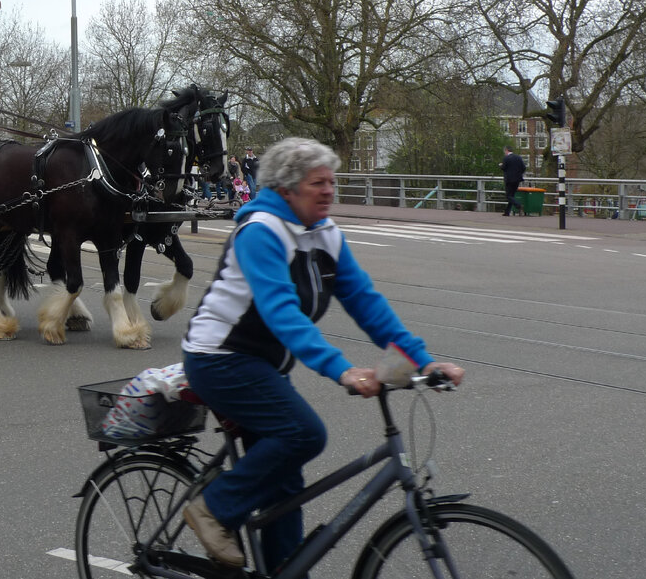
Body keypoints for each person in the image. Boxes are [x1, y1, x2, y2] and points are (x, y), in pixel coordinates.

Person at [180, 137, 465, 570]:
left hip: (264, 365)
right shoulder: (261, 231)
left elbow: (366, 303)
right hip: (219, 359)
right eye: (318, 183)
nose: (329, 190)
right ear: (287, 188)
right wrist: (342, 370)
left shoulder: (325, 234)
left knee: (284, 483)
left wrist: (423, 360)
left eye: (332, 181)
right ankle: (213, 509)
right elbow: (282, 313)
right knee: (304, 434)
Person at [499, 145, 526, 216]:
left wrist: (500, 165)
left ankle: (518, 205)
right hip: (517, 179)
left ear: (506, 150)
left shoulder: (506, 158)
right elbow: (523, 167)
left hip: (509, 180)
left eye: (504, 151)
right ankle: (507, 212)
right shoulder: (518, 157)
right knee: (512, 195)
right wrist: (518, 174)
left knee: (508, 196)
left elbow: (504, 168)